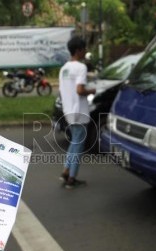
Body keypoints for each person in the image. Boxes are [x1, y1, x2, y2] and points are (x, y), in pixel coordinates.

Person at [59, 36, 96, 189]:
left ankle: (66, 172)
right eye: (84, 49)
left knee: (74, 143)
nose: (85, 51)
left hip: (68, 111)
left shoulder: (64, 69)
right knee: (78, 146)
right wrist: (92, 90)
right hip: (80, 113)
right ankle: (72, 179)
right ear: (79, 50)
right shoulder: (81, 68)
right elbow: (80, 90)